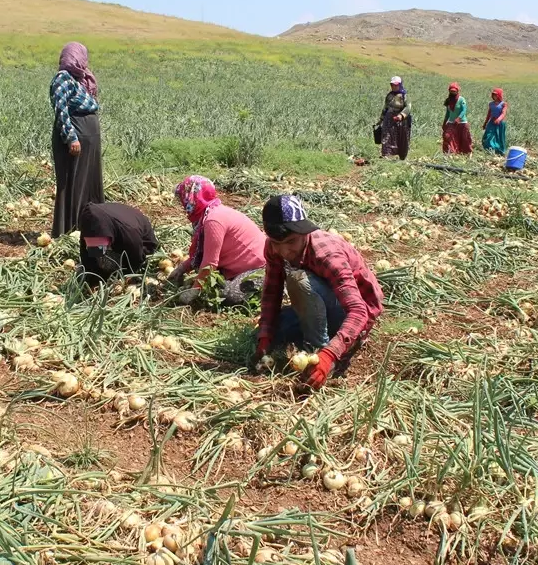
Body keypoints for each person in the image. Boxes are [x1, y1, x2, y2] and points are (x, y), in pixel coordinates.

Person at [255, 195, 384, 390]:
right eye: (276, 243)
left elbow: (358, 311)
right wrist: (265, 335)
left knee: (299, 281)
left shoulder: (327, 255)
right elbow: (272, 292)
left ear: (305, 232)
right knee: (271, 330)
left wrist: (328, 354)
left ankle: (319, 352)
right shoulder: (273, 248)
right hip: (318, 305)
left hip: (354, 313)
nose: (284, 251)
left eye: (291, 241)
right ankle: (317, 340)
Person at [168, 175, 266, 307]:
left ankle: (274, 285)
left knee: (228, 295)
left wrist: (194, 291)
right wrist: (182, 268)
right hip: (240, 265)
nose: (182, 204)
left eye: (183, 199)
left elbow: (209, 263)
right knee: (208, 280)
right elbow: (204, 253)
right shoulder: (210, 213)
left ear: (191, 197)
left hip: (261, 267)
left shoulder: (213, 220)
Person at [51, 42, 104, 237]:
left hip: (89, 139)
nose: (83, 61)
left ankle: (89, 225)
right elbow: (61, 110)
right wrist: (71, 137)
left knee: (89, 182)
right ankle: (69, 228)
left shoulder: (82, 78)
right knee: (74, 183)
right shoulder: (62, 79)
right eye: (80, 57)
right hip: (75, 141)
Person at [76, 202, 157, 283]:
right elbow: (84, 247)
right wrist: (89, 269)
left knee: (105, 263)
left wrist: (120, 279)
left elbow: (135, 260)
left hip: (143, 245)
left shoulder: (128, 234)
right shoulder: (88, 218)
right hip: (116, 227)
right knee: (94, 258)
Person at [378, 76, 412, 160]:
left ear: (400, 85)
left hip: (401, 120)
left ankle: (402, 156)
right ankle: (386, 154)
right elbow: (385, 107)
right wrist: (381, 119)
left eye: (396, 85)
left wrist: (401, 115)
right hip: (389, 119)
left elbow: (408, 107)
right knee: (386, 135)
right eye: (392, 85)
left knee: (401, 138)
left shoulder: (404, 96)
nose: (394, 86)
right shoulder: (389, 95)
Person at [441, 82, 472, 155]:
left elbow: (464, 110)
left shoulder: (461, 100)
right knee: (447, 136)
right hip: (451, 122)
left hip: (462, 123)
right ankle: (450, 152)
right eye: (451, 91)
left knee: (464, 139)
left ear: (457, 91)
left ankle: (467, 153)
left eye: (454, 91)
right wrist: (444, 123)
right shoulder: (448, 101)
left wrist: (458, 118)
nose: (453, 92)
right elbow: (448, 113)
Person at [481, 87, 508, 155]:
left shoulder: (503, 104)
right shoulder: (491, 104)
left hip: (500, 123)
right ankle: (490, 149)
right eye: (493, 95)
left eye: (496, 95)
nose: (494, 96)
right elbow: (489, 114)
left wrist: (499, 119)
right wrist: (485, 123)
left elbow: (503, 113)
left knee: (499, 136)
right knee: (488, 135)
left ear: (499, 95)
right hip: (492, 121)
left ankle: (500, 151)